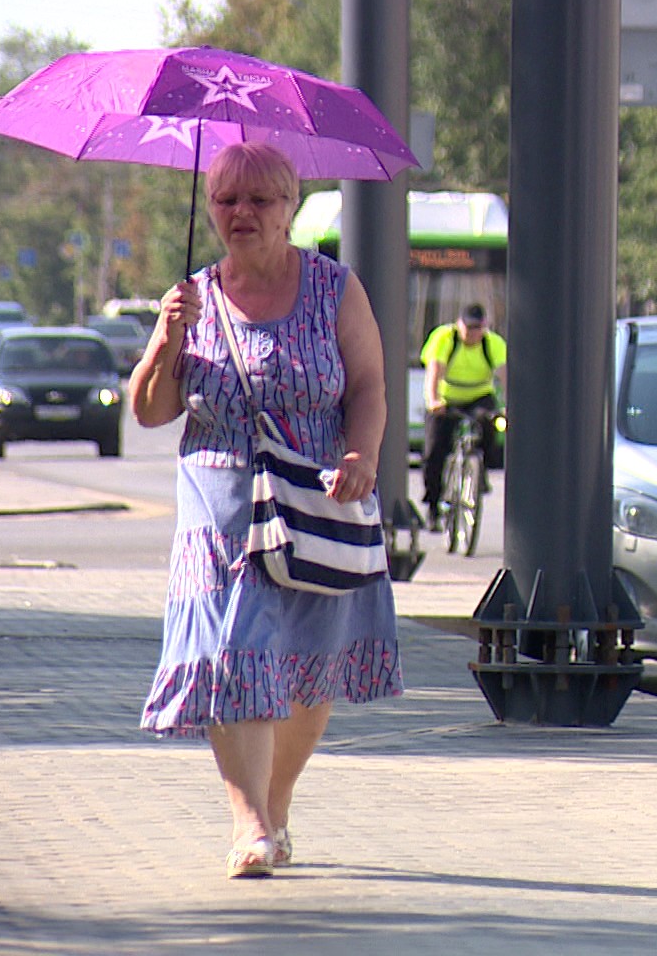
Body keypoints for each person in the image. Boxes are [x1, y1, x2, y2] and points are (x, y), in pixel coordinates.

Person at [129, 141, 402, 880]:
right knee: (232, 654)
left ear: (290, 207)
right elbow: (151, 411)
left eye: (260, 200)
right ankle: (248, 823)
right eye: (227, 200)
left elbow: (369, 385)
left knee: (309, 669)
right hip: (219, 507)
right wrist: (166, 337)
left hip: (315, 497)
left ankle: (276, 803)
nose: (241, 213)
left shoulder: (334, 289)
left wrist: (362, 456)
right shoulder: (192, 295)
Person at [420, 303, 507, 528]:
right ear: (459, 325)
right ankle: (433, 504)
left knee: (492, 425)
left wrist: (508, 406)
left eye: (477, 328)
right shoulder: (445, 338)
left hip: (479, 396)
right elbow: (434, 371)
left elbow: (505, 376)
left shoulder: (493, 343)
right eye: (468, 327)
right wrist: (434, 400)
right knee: (433, 450)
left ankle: (480, 472)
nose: (472, 333)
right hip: (447, 398)